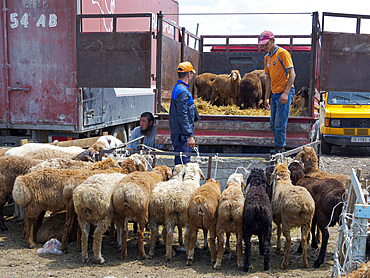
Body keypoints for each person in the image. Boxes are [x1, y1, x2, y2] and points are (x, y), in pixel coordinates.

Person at [259, 30, 296, 153]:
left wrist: (286, 93)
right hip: (274, 93)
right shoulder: (267, 58)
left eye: (265, 44)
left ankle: (280, 151)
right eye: (262, 44)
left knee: (280, 125)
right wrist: (266, 97)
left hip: (284, 92)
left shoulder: (282, 53)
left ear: (273, 41)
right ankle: (279, 147)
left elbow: (292, 74)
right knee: (273, 124)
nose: (264, 46)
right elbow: (268, 78)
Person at [169, 61, 197, 165]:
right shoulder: (183, 91)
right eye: (192, 74)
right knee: (182, 164)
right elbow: (183, 114)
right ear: (189, 74)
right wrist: (189, 135)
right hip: (182, 135)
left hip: (179, 132)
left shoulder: (178, 88)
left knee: (180, 162)